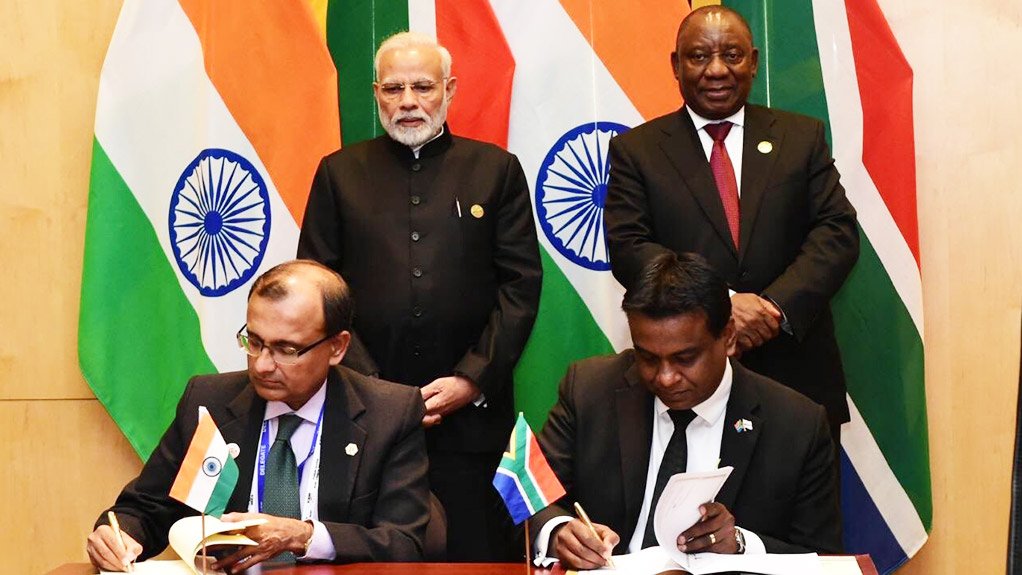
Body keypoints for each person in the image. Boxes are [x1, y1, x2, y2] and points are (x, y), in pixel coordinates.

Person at [297, 32, 542, 561]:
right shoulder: (339, 174)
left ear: (449, 90)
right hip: (361, 415)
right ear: (376, 94)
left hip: (470, 423)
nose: (408, 101)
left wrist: (471, 379)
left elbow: (520, 289)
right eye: (394, 88)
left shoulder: (496, 171)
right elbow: (315, 291)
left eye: (423, 87)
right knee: (367, 559)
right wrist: (376, 391)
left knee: (476, 559)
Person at [604, 6, 859, 442]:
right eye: (699, 56)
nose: (717, 70)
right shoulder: (637, 150)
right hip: (690, 382)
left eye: (733, 55)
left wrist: (773, 308)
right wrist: (722, 302)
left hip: (797, 376)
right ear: (676, 65)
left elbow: (836, 233)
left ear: (755, 62)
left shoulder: (801, 138)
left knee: (806, 509)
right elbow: (629, 248)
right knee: (701, 510)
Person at [86, 260, 430, 572]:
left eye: (287, 349)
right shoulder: (208, 402)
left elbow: (402, 544)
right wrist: (118, 534)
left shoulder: (390, 413)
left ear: (337, 347)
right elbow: (145, 508)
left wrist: (305, 536)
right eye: (254, 341)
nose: (263, 364)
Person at [531, 252, 841, 570]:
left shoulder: (797, 424)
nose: (665, 377)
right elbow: (531, 497)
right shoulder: (589, 390)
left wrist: (741, 544)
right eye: (648, 357)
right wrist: (558, 531)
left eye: (685, 358)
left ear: (729, 336)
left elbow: (822, 559)